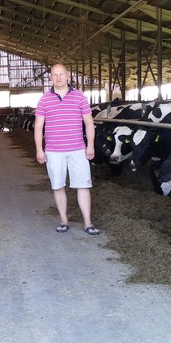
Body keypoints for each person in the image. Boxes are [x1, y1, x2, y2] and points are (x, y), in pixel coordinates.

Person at [33, 63, 99, 235]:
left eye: (61, 74)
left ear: (68, 75)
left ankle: (88, 223)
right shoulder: (44, 99)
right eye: (55, 74)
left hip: (78, 149)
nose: (58, 77)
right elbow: (38, 127)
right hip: (53, 151)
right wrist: (39, 149)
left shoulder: (79, 97)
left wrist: (90, 145)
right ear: (50, 77)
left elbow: (89, 122)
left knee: (83, 185)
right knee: (58, 185)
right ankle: (63, 220)